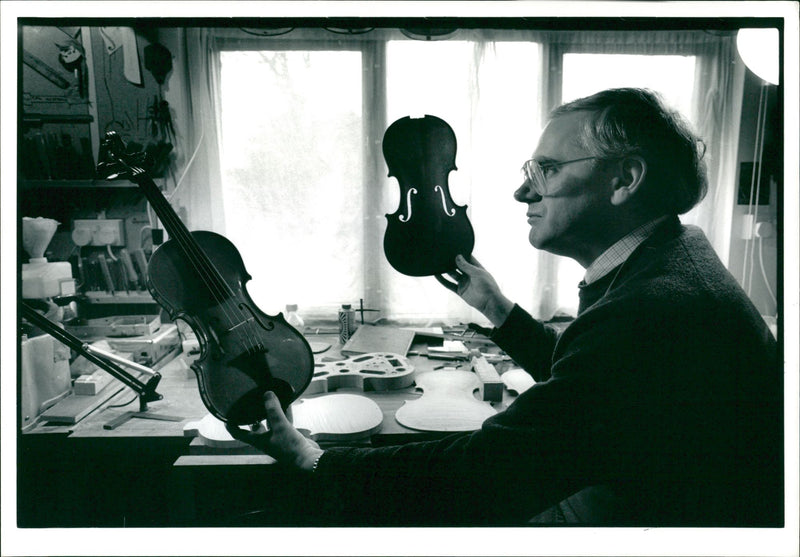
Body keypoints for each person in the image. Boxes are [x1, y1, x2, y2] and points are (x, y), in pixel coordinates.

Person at [228, 87, 782, 526]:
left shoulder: (655, 310)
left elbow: (487, 475)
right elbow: (589, 383)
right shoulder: (670, 259)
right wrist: (498, 308)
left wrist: (313, 458)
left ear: (624, 180)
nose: (523, 193)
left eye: (546, 170)